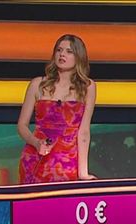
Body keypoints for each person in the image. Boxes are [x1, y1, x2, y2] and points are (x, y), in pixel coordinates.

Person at [17, 34, 97, 184]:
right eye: (59, 50)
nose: (62, 54)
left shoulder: (87, 87)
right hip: (36, 160)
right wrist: (36, 143)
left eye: (69, 51)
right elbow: (22, 125)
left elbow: (84, 132)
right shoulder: (37, 84)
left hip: (67, 162)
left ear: (79, 57)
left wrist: (83, 173)